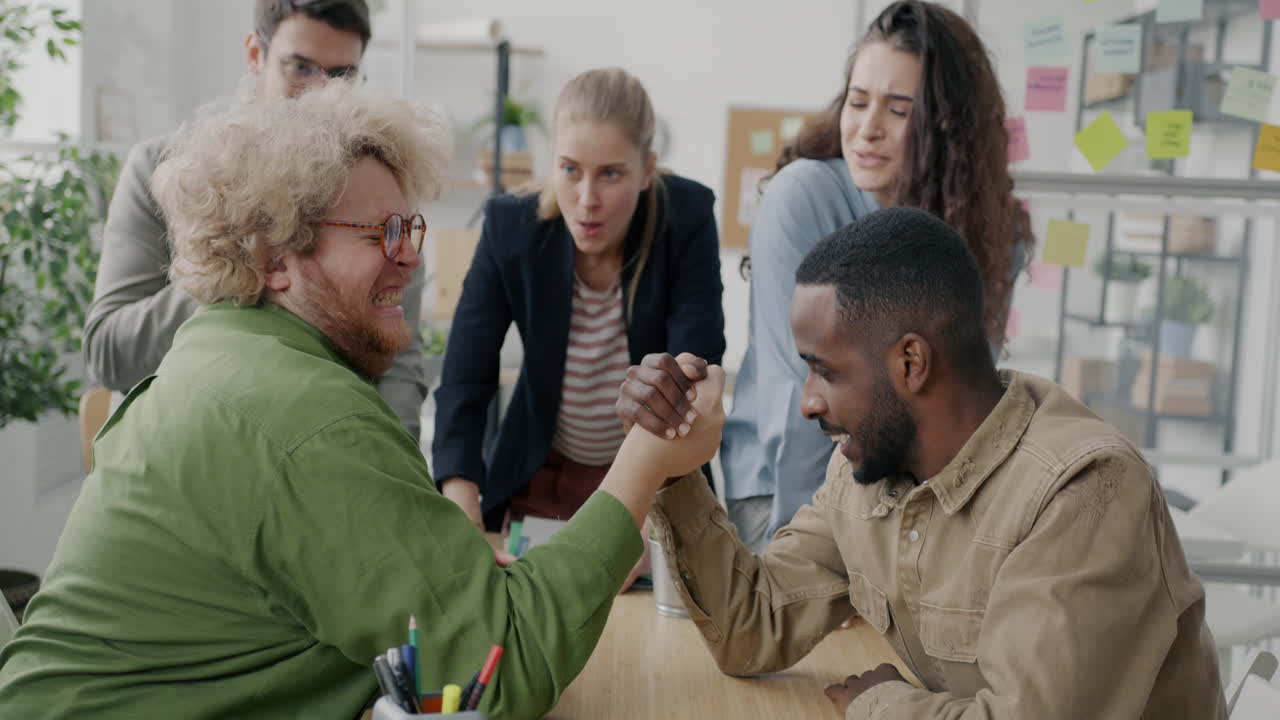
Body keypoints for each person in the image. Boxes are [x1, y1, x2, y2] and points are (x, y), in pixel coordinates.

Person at [0, 81, 727, 720]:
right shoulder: (306, 417)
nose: (411, 257)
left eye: (406, 226)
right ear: (274, 258)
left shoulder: (217, 350)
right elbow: (503, 666)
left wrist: (441, 570)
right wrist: (646, 459)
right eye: (379, 232)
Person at [619, 208, 1226, 719]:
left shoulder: (1084, 489)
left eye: (825, 371)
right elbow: (751, 626)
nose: (807, 401)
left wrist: (881, 703)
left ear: (911, 362)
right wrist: (673, 467)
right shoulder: (871, 468)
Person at [720, 0, 1033, 552]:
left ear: (946, 124)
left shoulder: (992, 235)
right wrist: (804, 551)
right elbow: (800, 400)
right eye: (857, 102)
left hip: (910, 499)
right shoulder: (804, 197)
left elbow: (964, 403)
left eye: (898, 109)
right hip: (785, 497)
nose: (866, 129)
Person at [82, 0, 429, 439]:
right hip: (189, 446)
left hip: (327, 459)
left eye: (341, 77)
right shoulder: (162, 169)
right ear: (254, 55)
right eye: (300, 68)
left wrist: (393, 480)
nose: (319, 93)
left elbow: (400, 369)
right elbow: (109, 353)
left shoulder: (381, 200)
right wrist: (237, 259)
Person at [432, 67, 724, 536]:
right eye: (570, 170)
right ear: (552, 163)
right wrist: (463, 516)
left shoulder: (684, 219)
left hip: (653, 479)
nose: (587, 199)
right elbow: (465, 379)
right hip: (540, 474)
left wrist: (647, 531)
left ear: (648, 169)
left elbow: (690, 379)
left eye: (610, 174)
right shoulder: (512, 227)